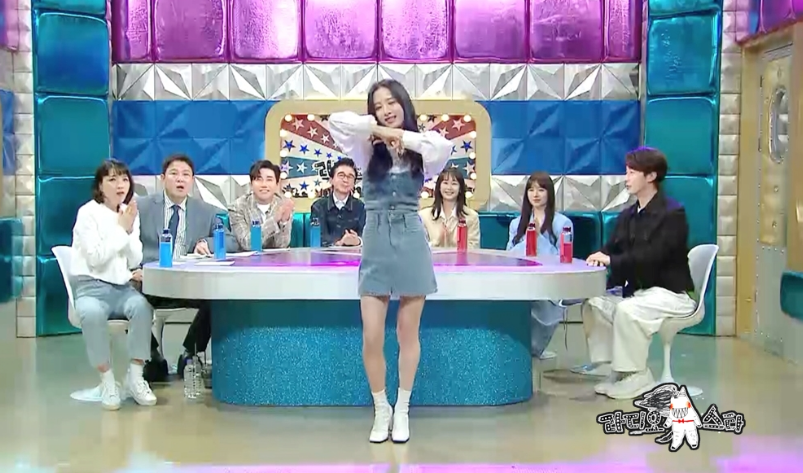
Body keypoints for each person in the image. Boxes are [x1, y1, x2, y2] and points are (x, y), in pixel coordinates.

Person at [328, 79, 452, 444]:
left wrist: (403, 137)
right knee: (371, 334)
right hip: (376, 238)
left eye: (391, 102)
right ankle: (381, 407)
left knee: (407, 332)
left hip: (411, 237)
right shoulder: (366, 147)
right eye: (378, 105)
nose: (386, 110)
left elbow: (441, 147)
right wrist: (380, 131)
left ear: (404, 103)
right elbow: (336, 122)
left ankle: (403, 409)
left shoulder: (422, 147)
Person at [579, 147, 696, 400]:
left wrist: (611, 260)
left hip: (670, 294)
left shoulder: (673, 214)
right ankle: (616, 368)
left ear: (651, 176)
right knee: (595, 304)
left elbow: (654, 257)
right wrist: (598, 257)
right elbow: (611, 248)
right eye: (627, 172)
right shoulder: (628, 216)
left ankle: (637, 375)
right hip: (639, 293)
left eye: (632, 172)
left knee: (627, 311)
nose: (627, 178)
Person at [138, 154, 239, 383]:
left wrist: (209, 243)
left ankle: (190, 352)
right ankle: (152, 356)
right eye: (174, 174)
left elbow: (231, 241)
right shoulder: (142, 207)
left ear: (192, 180)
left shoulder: (206, 211)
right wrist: (135, 269)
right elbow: (126, 242)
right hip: (151, 282)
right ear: (162, 178)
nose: (180, 179)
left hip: (188, 284)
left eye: (186, 175)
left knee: (219, 299)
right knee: (129, 299)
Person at [70, 159, 157, 410]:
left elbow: (135, 259)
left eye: (124, 179)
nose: (120, 185)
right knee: (91, 314)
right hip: (90, 288)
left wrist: (128, 230)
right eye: (112, 179)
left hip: (122, 288)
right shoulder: (88, 213)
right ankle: (107, 381)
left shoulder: (129, 213)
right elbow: (96, 258)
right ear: (100, 185)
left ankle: (135, 377)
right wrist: (121, 230)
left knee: (142, 308)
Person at [507, 171, 573, 361]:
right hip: (520, 280)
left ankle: (533, 348)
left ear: (549, 193)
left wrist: (537, 239)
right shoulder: (516, 223)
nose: (535, 194)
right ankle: (516, 347)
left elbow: (563, 259)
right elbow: (508, 255)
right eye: (531, 190)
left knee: (542, 300)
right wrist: (527, 241)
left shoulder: (563, 223)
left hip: (550, 281)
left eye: (541, 190)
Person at [228, 160, 293, 251]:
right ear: (251, 184)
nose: (264, 185)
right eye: (259, 179)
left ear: (277, 184)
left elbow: (281, 245)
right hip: (247, 259)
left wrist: (283, 222)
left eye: (269, 180)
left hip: (276, 259)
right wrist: (274, 220)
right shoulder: (237, 207)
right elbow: (248, 244)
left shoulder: (283, 204)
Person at [310, 158, 365, 247]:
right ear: (331, 180)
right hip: (325, 254)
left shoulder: (361, 207)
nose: (345, 180)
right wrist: (339, 243)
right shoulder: (318, 206)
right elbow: (319, 237)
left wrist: (358, 241)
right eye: (341, 175)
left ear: (354, 183)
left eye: (350, 176)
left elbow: (366, 235)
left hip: (353, 254)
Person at [418, 168, 479, 249]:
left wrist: (453, 243)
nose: (449, 187)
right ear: (439, 187)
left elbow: (474, 249)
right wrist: (437, 242)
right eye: (445, 183)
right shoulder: (424, 216)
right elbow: (420, 248)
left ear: (460, 189)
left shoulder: (471, 217)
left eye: (454, 184)